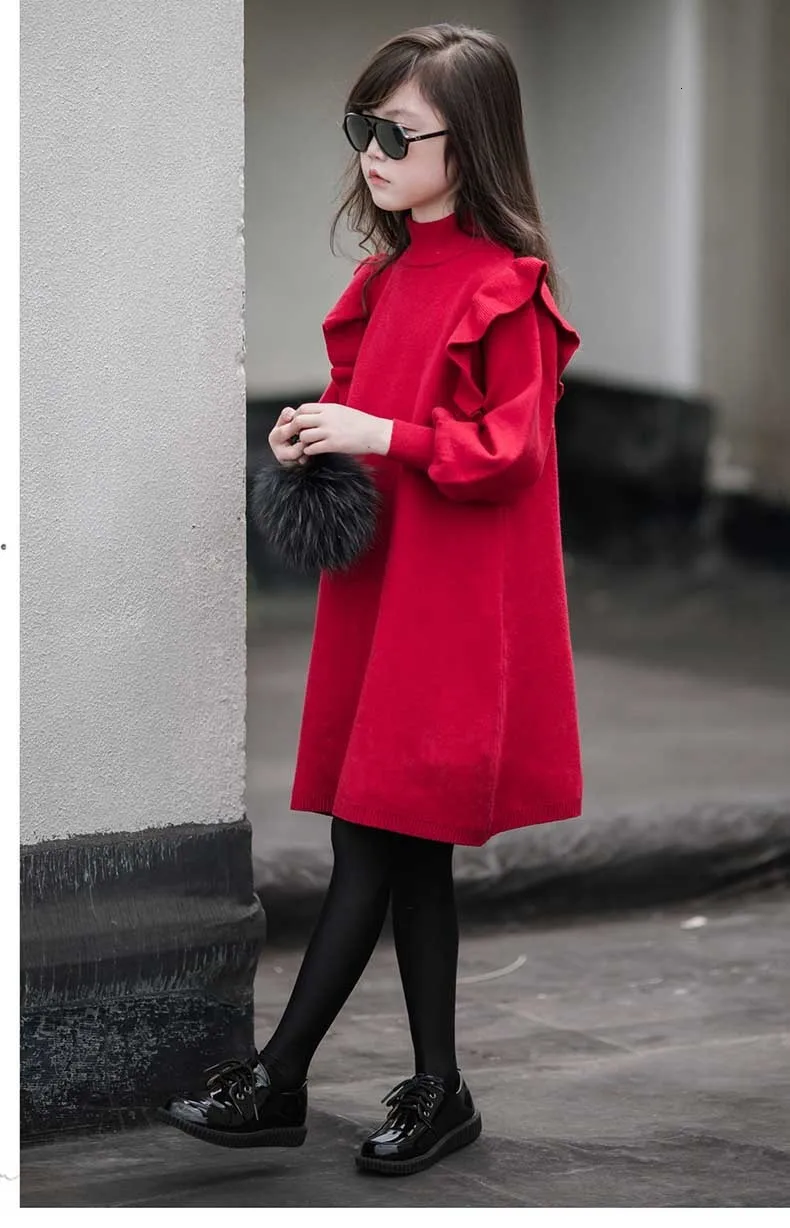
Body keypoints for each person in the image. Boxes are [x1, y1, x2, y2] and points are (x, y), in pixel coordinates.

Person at [158, 21, 582, 1177]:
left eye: (398, 133)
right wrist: (309, 434)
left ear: (469, 144)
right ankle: (440, 1090)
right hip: (382, 593)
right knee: (405, 845)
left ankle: (278, 1078)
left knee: (372, 838)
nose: (371, 154)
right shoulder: (385, 280)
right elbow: (363, 406)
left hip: (448, 609)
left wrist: (377, 432)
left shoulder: (507, 290)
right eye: (362, 128)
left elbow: (508, 452)